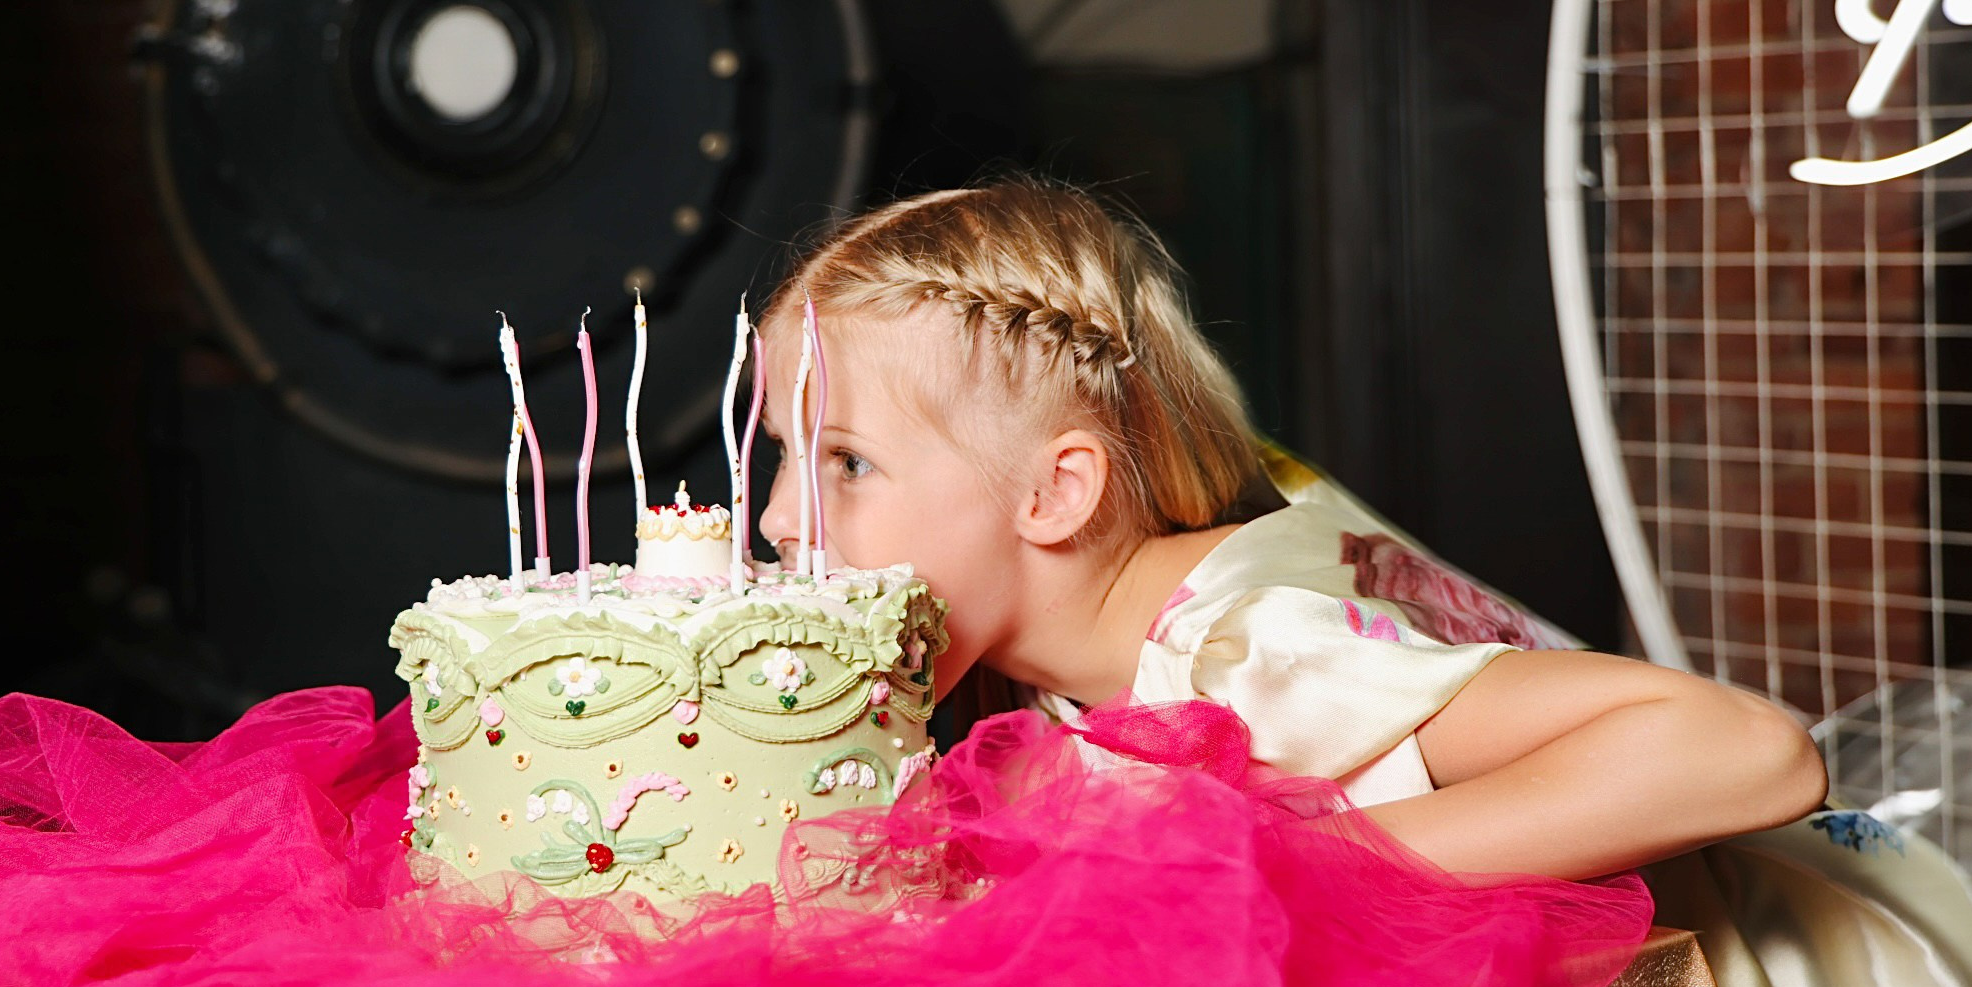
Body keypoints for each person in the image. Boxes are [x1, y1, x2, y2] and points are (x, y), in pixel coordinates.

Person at [755, 178, 1827, 877]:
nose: (780, 515)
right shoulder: (1055, 673)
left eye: (846, 459)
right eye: (783, 452)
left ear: (1055, 493)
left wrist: (1299, 874)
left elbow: (1749, 752)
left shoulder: (1253, 649)